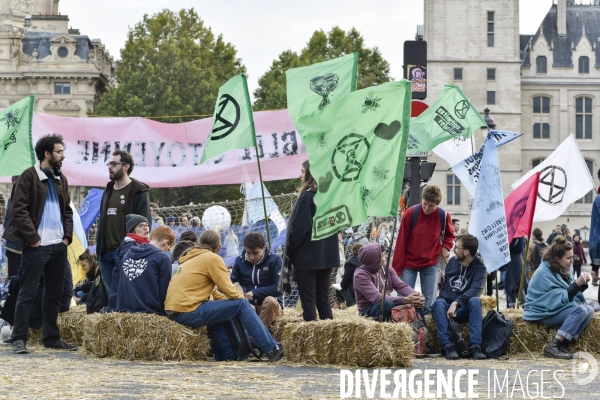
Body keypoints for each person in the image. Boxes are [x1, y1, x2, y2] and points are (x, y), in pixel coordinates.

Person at [1, 134, 76, 354]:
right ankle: (19, 338)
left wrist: (67, 238)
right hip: (36, 246)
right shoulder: (29, 176)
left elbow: (67, 211)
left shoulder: (61, 178)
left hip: (58, 246)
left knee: (53, 294)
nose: (63, 156)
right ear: (47, 154)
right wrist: (33, 238)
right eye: (59, 151)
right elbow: (19, 210)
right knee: (27, 292)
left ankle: (51, 337)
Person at [164, 230, 284, 362]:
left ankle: (226, 355)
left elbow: (213, 293)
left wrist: (231, 302)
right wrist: (244, 302)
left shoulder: (190, 258)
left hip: (173, 311)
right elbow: (230, 291)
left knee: (228, 308)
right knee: (241, 304)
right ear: (219, 247)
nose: (251, 256)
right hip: (188, 311)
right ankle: (271, 348)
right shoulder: (212, 258)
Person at [281, 160, 339, 322]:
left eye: (302, 171)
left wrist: (290, 251)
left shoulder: (307, 197)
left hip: (307, 258)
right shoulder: (329, 197)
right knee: (323, 301)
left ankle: (313, 342)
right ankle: (328, 338)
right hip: (326, 258)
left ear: (310, 173)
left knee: (309, 302)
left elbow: (299, 230)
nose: (300, 175)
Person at [523, 237, 594, 359]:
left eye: (572, 257)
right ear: (557, 258)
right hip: (542, 312)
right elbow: (556, 298)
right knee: (580, 310)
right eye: (568, 258)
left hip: (555, 309)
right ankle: (553, 346)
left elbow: (566, 294)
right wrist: (576, 284)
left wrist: (580, 285)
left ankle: (564, 343)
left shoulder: (562, 270)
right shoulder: (544, 272)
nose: (572, 261)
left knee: (590, 310)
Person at [392, 184, 456, 314]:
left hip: (431, 263)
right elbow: (400, 242)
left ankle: (425, 330)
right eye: (424, 204)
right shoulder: (411, 213)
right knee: (405, 301)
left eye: (431, 206)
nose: (426, 208)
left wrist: (446, 246)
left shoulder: (443, 216)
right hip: (409, 263)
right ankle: (406, 326)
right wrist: (396, 268)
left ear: (437, 204)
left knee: (429, 303)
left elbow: (450, 235)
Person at [96, 150, 151, 295]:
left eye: (114, 164)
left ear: (126, 166)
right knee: (111, 296)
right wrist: (99, 252)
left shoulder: (139, 191)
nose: (110, 167)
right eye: (109, 163)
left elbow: (145, 224)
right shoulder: (108, 189)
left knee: (126, 294)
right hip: (105, 254)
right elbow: (102, 221)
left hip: (126, 253)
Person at [431, 234, 487, 360]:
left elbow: (475, 291)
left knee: (475, 301)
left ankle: (476, 347)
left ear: (466, 252)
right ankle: (448, 346)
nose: (453, 250)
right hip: (447, 307)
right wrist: (445, 302)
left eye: (456, 248)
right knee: (438, 303)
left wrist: (456, 303)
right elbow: (445, 285)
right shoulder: (452, 262)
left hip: (463, 308)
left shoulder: (480, 268)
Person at [355, 243, 424, 321]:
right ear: (375, 259)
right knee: (386, 304)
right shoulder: (360, 275)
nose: (386, 257)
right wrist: (405, 300)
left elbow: (400, 285)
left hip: (387, 301)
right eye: (383, 255)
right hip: (369, 309)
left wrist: (416, 296)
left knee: (416, 303)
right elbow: (375, 297)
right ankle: (380, 328)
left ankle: (422, 330)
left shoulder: (386, 267)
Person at [115, 226, 174, 315]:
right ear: (166, 243)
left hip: (124, 311)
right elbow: (164, 292)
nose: (166, 251)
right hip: (150, 312)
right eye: (168, 249)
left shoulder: (128, 254)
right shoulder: (162, 258)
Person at [230, 232, 282, 327]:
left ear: (264, 247)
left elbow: (280, 288)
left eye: (256, 253)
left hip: (270, 307)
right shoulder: (239, 261)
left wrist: (255, 292)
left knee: (270, 301)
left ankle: (257, 338)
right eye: (248, 253)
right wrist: (243, 299)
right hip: (248, 307)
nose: (252, 257)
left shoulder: (275, 260)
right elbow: (233, 284)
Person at [106, 214, 150, 311]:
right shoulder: (129, 246)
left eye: (146, 225)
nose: (145, 228)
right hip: (125, 299)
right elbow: (128, 273)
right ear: (132, 230)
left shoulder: (144, 245)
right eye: (140, 226)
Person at [74, 249, 107, 314]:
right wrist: (74, 296)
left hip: (98, 307)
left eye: (84, 265)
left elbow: (97, 295)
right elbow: (79, 288)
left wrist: (81, 299)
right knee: (79, 293)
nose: (82, 269)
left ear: (91, 263)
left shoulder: (99, 273)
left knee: (80, 296)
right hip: (95, 304)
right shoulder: (94, 275)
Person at [3, 175, 22, 278]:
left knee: (14, 279)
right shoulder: (34, 198)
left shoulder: (12, 199)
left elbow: (6, 223)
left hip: (13, 245)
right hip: (31, 246)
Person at [503, 237, 527, 308]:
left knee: (517, 286)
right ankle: (511, 307)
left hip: (514, 261)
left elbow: (509, 248)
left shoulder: (517, 237)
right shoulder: (518, 236)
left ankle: (524, 307)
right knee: (510, 286)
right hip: (513, 260)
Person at [337, 243, 363, 307]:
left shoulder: (350, 263)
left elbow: (344, 284)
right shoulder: (366, 261)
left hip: (353, 295)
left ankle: (339, 306)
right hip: (364, 293)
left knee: (338, 288)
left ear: (352, 251)